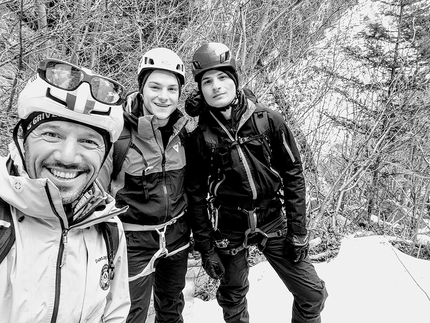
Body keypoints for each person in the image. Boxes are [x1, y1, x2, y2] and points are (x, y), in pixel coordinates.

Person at [184, 42, 328, 323]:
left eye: (223, 77)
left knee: (312, 295)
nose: (216, 86)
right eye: (207, 81)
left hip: (273, 218)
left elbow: (293, 173)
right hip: (228, 224)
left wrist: (298, 230)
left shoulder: (267, 119)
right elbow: (196, 195)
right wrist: (207, 248)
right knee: (232, 296)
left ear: (235, 80)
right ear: (200, 89)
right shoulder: (199, 137)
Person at [0, 58, 130, 322]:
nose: (69, 157)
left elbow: (114, 313)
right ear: (22, 138)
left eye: (88, 141)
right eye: (51, 134)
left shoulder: (108, 226)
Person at [98, 48, 191, 323]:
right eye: (155, 86)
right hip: (132, 241)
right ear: (141, 87)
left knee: (171, 309)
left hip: (176, 236)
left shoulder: (182, 131)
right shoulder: (117, 134)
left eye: (172, 89)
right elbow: (96, 196)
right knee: (130, 314)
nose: (164, 96)